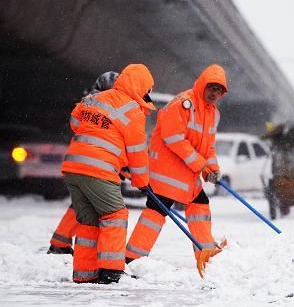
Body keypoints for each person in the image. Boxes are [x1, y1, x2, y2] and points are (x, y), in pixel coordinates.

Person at [125, 64, 227, 271]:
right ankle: (131, 258)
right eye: (211, 88)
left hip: (186, 174)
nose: (214, 93)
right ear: (202, 85)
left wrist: (212, 168)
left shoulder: (213, 113)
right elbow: (173, 138)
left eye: (219, 90)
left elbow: (210, 146)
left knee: (198, 206)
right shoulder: (183, 104)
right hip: (166, 173)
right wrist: (201, 166)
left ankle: (206, 253)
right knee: (156, 213)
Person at [61, 64, 155, 284]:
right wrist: (143, 182)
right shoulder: (133, 111)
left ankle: (85, 274)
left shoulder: (95, 98)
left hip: (73, 167)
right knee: (115, 216)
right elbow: (137, 152)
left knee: (89, 221)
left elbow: (75, 122)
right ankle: (111, 271)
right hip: (99, 169)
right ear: (141, 86)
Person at [48, 71, 119, 255]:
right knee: (93, 209)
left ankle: (60, 243)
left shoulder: (86, 102)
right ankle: (68, 247)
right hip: (96, 162)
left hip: (83, 160)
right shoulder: (102, 104)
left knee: (80, 205)